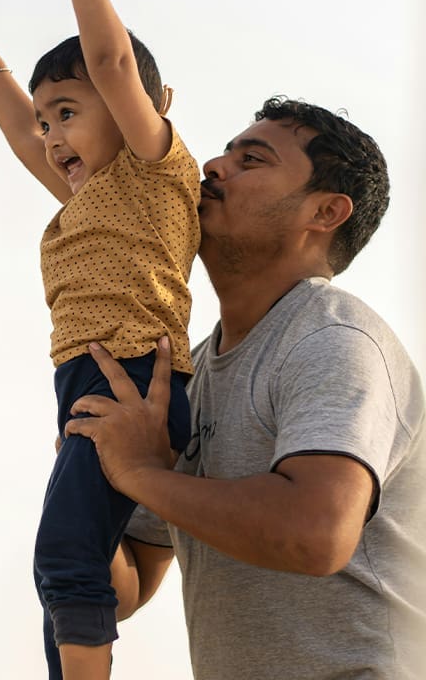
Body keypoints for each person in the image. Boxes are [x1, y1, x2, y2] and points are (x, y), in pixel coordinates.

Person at [66, 97, 426, 679]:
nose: (212, 166)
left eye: (252, 159)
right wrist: (89, 467)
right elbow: (128, 587)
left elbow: (316, 534)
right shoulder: (191, 373)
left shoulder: (333, 339)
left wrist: (139, 474)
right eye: (227, 151)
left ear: (327, 211)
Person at [0, 0, 199, 680]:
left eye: (68, 112)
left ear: (149, 109)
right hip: (85, 384)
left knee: (64, 555)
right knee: (65, 580)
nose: (54, 134)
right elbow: (24, 138)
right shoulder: (87, 197)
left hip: (131, 379)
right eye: (48, 119)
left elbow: (112, 64)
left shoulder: (154, 168)